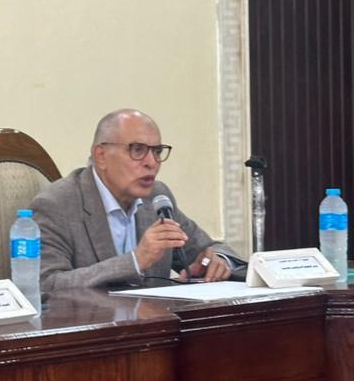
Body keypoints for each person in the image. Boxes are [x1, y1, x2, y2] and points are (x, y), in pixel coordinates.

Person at [31, 108, 245, 293]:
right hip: (93, 326)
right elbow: (45, 285)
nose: (152, 162)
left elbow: (209, 249)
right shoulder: (57, 204)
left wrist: (216, 261)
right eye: (138, 150)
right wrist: (135, 261)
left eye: (157, 151)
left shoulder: (157, 197)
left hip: (155, 323)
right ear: (101, 155)